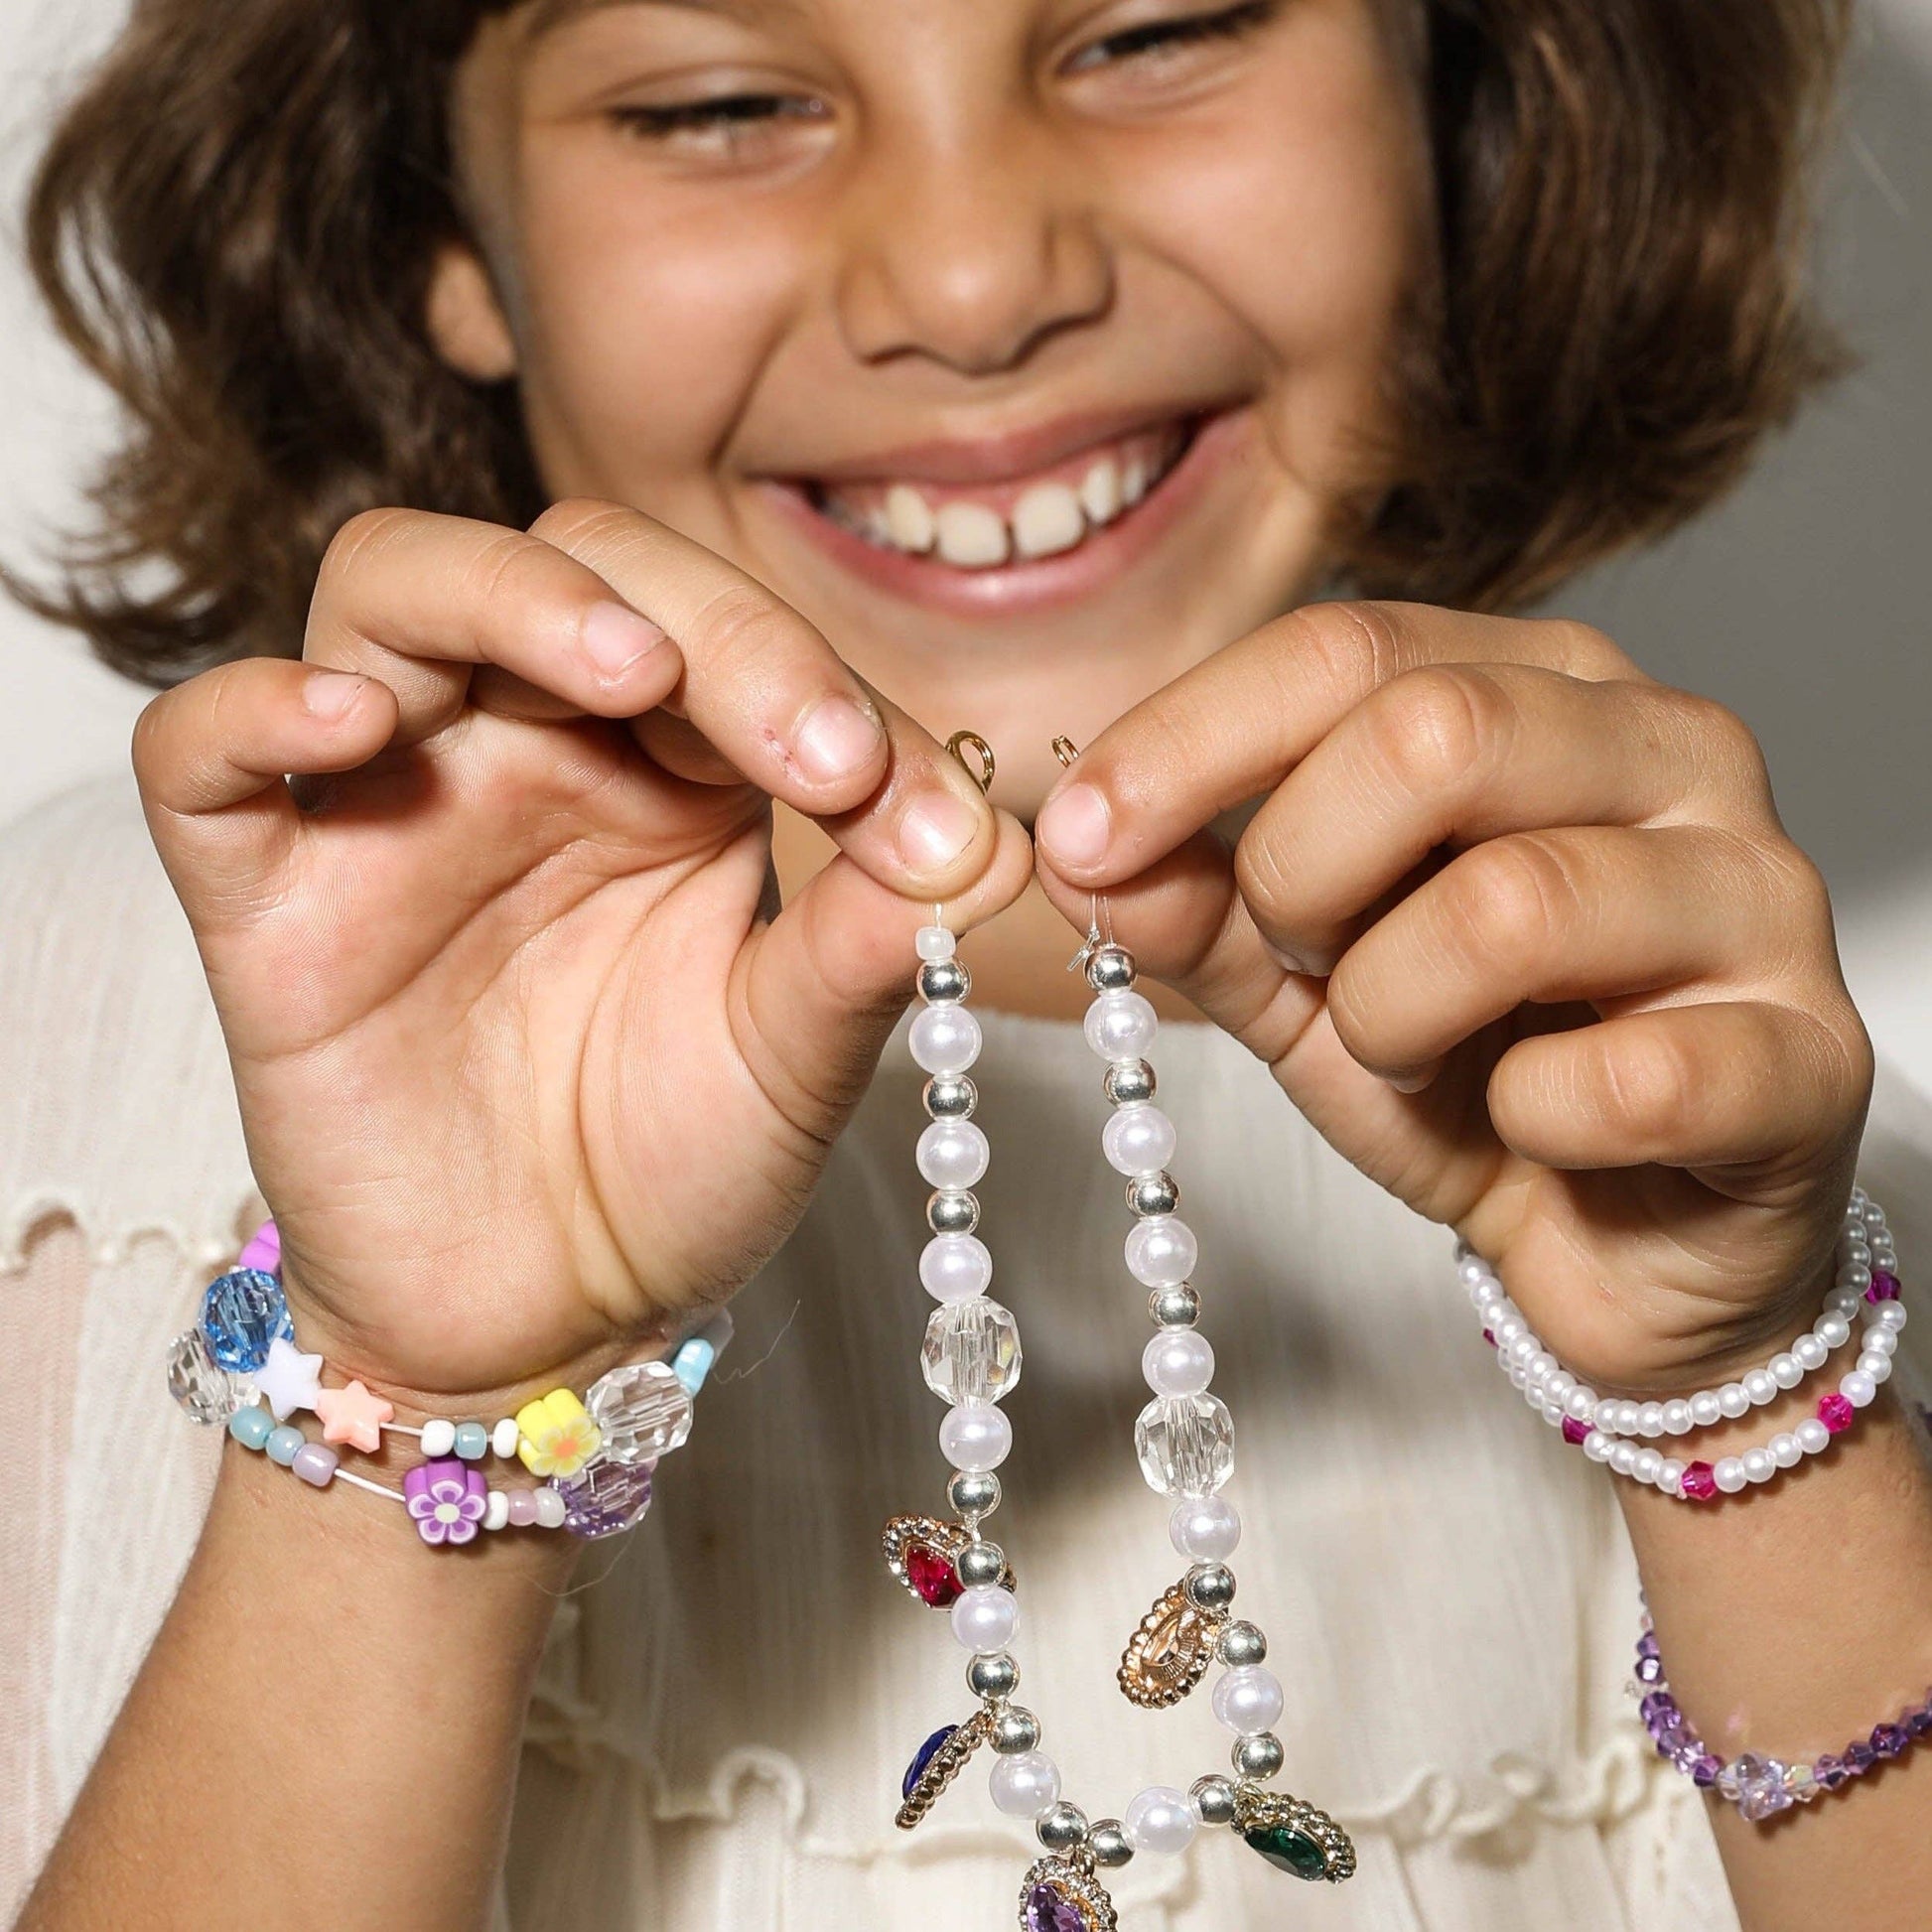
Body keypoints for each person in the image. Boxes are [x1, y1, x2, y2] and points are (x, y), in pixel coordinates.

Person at [4, 0, 1928, 1926]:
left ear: (1467, 81)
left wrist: (1746, 1411)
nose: (975, 281)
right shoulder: (79, 1081)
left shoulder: (1787, 1194)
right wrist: (423, 1394)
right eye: (721, 103)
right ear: (435, 221)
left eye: (1157, 30)